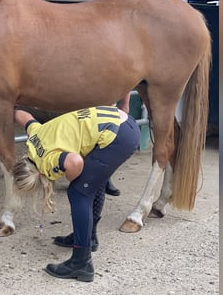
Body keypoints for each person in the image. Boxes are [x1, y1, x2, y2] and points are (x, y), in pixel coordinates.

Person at [13, 105, 141, 282]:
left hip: (119, 136)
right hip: (121, 121)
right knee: (94, 181)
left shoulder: (47, 163)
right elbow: (23, 115)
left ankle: (81, 263)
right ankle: (90, 237)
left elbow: (75, 161)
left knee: (79, 192)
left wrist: (74, 179)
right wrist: (7, 110)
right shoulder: (35, 136)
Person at [104, 90, 132, 197]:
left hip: (107, 103)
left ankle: (105, 176)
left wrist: (125, 103)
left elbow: (128, 73)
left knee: (106, 138)